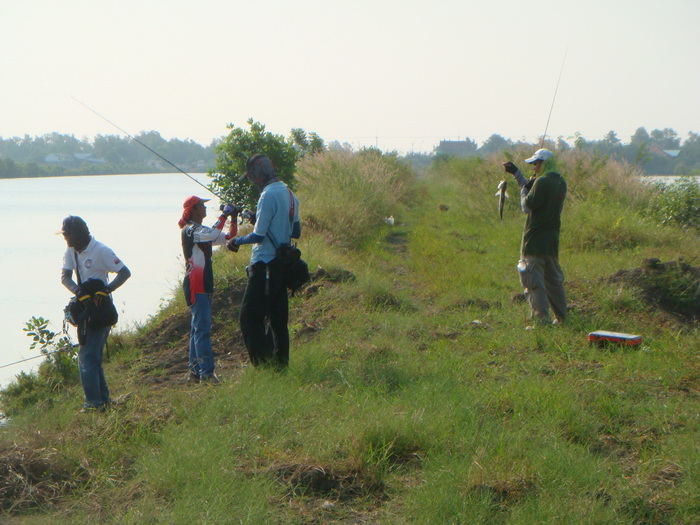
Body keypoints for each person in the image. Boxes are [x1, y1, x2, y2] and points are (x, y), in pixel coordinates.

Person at [227, 154, 301, 369]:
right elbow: (295, 232)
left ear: (258, 173)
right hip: (282, 267)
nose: (252, 180)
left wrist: (237, 241)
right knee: (279, 322)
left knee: (249, 318)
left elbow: (258, 237)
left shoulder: (267, 196)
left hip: (264, 265)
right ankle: (281, 367)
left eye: (251, 176)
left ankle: (263, 366)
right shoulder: (290, 194)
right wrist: (262, 222)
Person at [60, 215, 131, 411]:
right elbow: (65, 277)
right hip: (84, 308)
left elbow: (125, 272)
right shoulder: (71, 251)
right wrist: (78, 291)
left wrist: (107, 290)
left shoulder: (101, 251)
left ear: (79, 233)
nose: (65, 239)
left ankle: (93, 403)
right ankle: (103, 401)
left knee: (87, 357)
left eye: (67, 235)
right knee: (92, 357)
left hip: (101, 309)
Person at [503, 148, 567, 326]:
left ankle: (541, 321)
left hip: (534, 241)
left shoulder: (542, 182)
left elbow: (527, 206)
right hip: (552, 241)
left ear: (544, 164)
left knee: (533, 282)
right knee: (554, 282)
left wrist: (523, 192)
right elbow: (533, 187)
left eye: (536, 163)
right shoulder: (560, 182)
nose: (534, 167)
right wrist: (517, 174)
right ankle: (563, 318)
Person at [179, 195, 237, 383]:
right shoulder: (190, 230)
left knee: (198, 329)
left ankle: (195, 372)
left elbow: (228, 237)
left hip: (204, 281)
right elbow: (212, 234)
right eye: (202, 206)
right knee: (202, 329)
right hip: (196, 282)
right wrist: (223, 215)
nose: (205, 209)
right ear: (193, 209)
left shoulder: (200, 230)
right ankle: (207, 373)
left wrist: (233, 217)